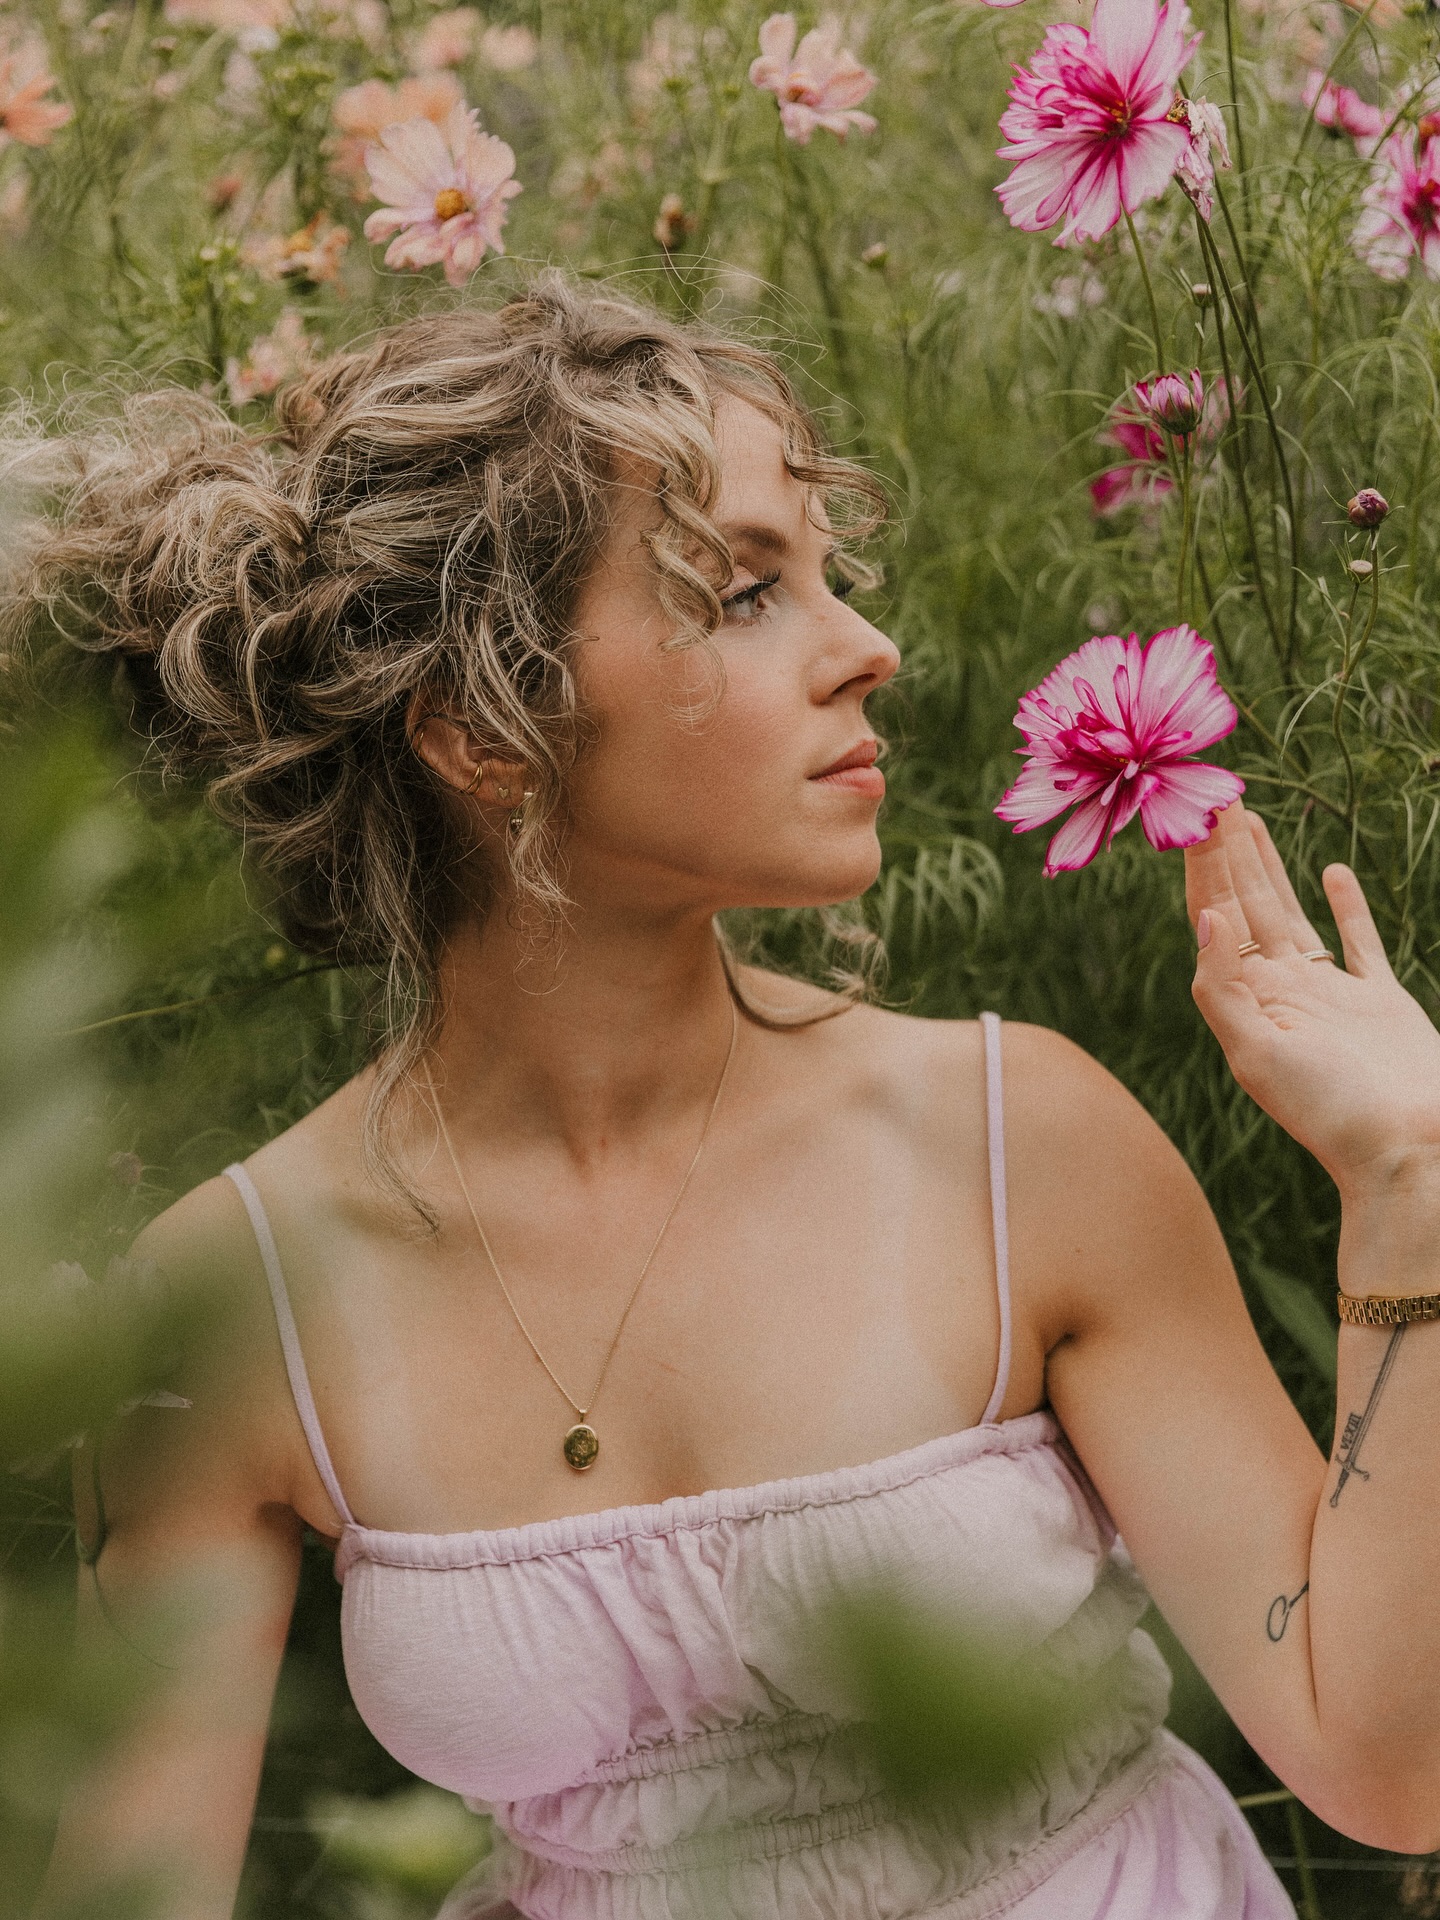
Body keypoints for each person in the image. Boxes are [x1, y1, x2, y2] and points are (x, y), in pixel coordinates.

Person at [9, 275, 1440, 1920]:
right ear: (483, 727)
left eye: (825, 575)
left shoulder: (1018, 1139)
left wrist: (1409, 1179)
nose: (869, 647)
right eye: (750, 592)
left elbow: (1383, 1766)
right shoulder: (234, 1300)